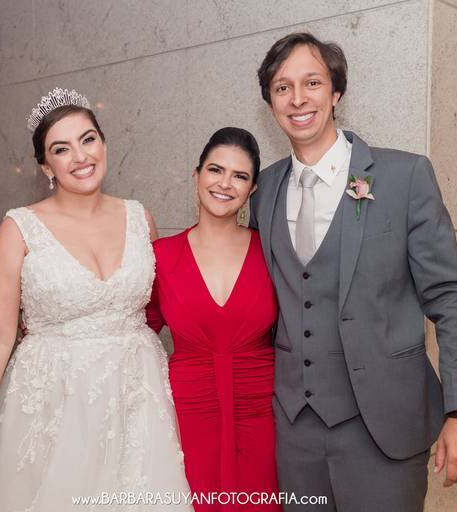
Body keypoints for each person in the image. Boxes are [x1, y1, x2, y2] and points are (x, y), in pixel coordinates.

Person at [249, 33, 457, 511]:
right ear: (271, 102)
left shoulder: (404, 177)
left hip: (385, 429)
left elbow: (450, 296)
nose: (298, 99)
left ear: (336, 92)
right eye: (283, 87)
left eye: (312, 82)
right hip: (294, 433)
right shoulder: (264, 191)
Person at [0, 88, 191, 511]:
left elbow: (161, 309)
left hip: (137, 398)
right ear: (46, 166)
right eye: (61, 149)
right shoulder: (19, 229)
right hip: (55, 403)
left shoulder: (140, 218)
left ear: (104, 144)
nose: (81, 156)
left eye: (88, 139)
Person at [147, 127, 280, 511]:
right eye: (215, 170)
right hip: (188, 416)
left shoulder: (272, 253)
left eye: (239, 176)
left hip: (263, 417)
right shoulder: (161, 257)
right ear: (197, 175)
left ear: (252, 189)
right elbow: (135, 334)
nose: (224, 184)